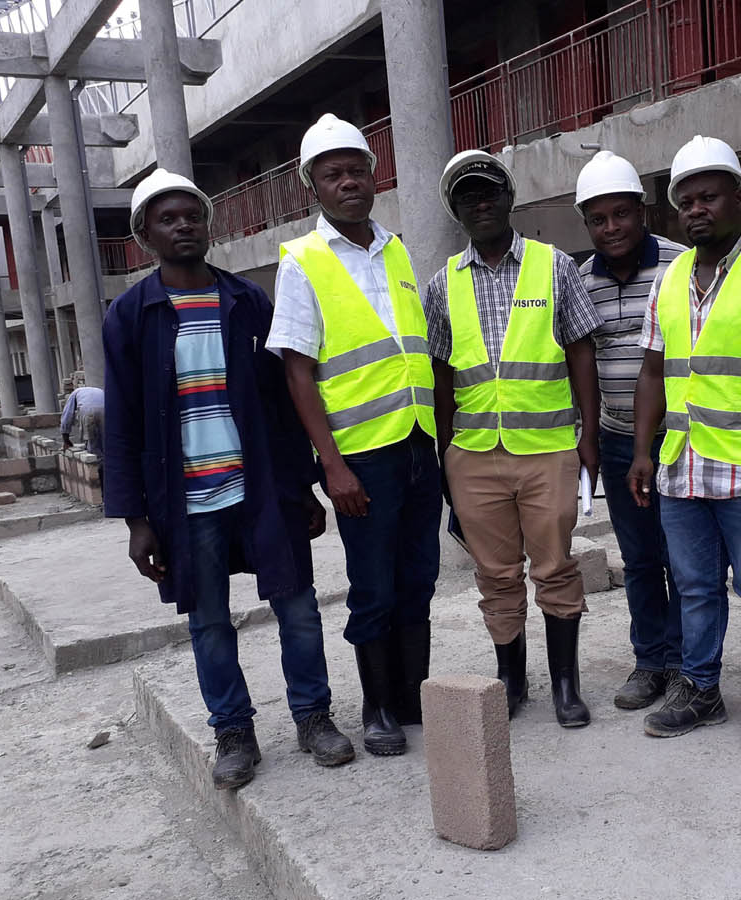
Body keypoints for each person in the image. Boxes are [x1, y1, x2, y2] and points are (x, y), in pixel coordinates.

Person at [102, 169, 354, 790]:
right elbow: (124, 424)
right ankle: (233, 734)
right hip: (186, 502)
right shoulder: (131, 316)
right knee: (209, 619)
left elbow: (281, 403)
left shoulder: (246, 302)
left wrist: (303, 486)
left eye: (193, 215)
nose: (184, 225)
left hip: (262, 489)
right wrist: (137, 520)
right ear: (144, 235)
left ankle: (313, 717)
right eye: (168, 218)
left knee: (296, 606)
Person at [269, 114, 441, 758]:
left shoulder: (396, 249)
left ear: (374, 176)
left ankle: (409, 695)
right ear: (311, 186)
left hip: (418, 443)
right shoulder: (303, 262)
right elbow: (298, 371)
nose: (348, 183)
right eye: (333, 174)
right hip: (361, 455)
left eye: (357, 171)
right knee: (372, 583)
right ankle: (375, 708)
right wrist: (331, 468)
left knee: (418, 575)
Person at [627, 136, 741, 754]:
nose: (697, 209)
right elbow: (653, 370)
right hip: (682, 465)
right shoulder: (670, 278)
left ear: (738, 196)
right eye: (686, 201)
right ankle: (700, 687)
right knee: (695, 587)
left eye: (709, 196)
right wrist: (645, 451)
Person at [423, 150, 603, 728]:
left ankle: (566, 687)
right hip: (474, 456)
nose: (480, 203)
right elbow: (442, 374)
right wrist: (444, 455)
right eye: (468, 196)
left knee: (555, 568)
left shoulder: (553, 267)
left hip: (548, 449)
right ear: (456, 210)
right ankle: (513, 679)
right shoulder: (442, 284)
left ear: (509, 198)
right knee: (495, 576)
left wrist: (588, 437)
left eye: (489, 192)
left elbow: (581, 350)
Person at [574, 150, 686, 711]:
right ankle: (651, 663)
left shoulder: (680, 265)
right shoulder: (579, 280)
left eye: (621, 214)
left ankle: (690, 664)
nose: (611, 228)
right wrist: (588, 436)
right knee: (640, 557)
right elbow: (583, 362)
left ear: (642, 212)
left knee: (685, 558)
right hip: (618, 439)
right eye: (598, 218)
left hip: (680, 439)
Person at [60, 385, 104, 456]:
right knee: (105, 441)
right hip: (106, 409)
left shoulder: (74, 393)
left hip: (88, 411)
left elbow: (67, 416)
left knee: (92, 445)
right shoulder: (99, 390)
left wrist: (66, 440)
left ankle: (94, 463)